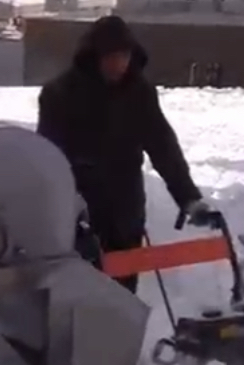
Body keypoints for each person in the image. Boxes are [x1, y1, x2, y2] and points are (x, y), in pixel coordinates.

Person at [36, 15, 212, 293]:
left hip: (126, 213)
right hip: (81, 216)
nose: (119, 64)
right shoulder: (60, 94)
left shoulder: (139, 93)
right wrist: (68, 215)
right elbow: (48, 161)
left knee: (123, 299)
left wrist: (189, 198)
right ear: (94, 56)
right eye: (111, 57)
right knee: (81, 301)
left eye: (125, 56)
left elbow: (162, 145)